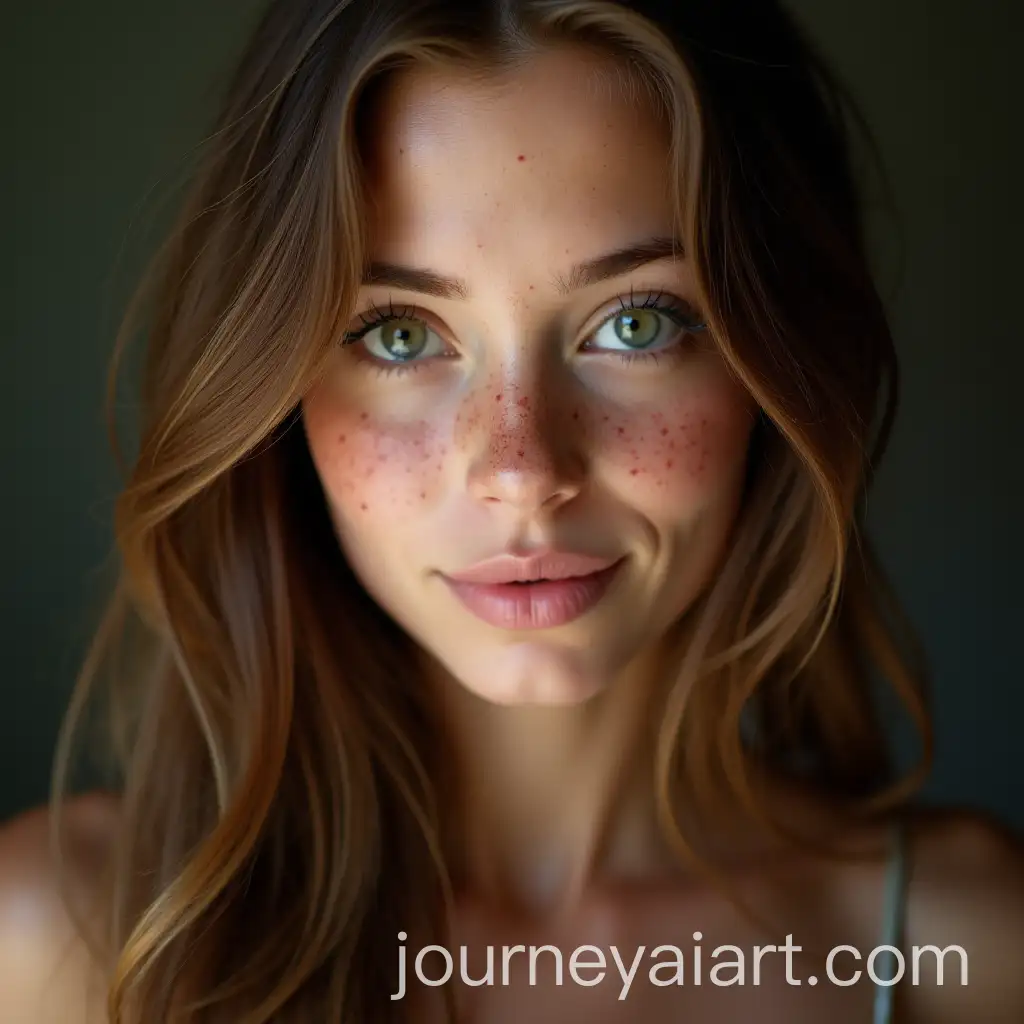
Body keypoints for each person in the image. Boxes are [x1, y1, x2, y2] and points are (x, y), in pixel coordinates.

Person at [1, 0, 1022, 1021]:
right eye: (399, 334)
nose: (522, 469)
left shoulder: (964, 952)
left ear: (781, 366)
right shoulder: (69, 942)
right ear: (275, 392)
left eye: (635, 321)